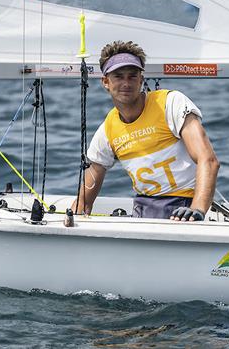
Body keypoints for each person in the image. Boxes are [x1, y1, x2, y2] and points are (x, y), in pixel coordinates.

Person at [65, 40, 219, 224]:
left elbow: (208, 160)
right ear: (106, 82)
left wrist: (197, 210)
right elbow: (84, 200)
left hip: (184, 209)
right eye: (119, 76)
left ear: (141, 79)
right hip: (144, 212)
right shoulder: (107, 130)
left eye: (132, 76)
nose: (126, 83)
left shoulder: (171, 103)